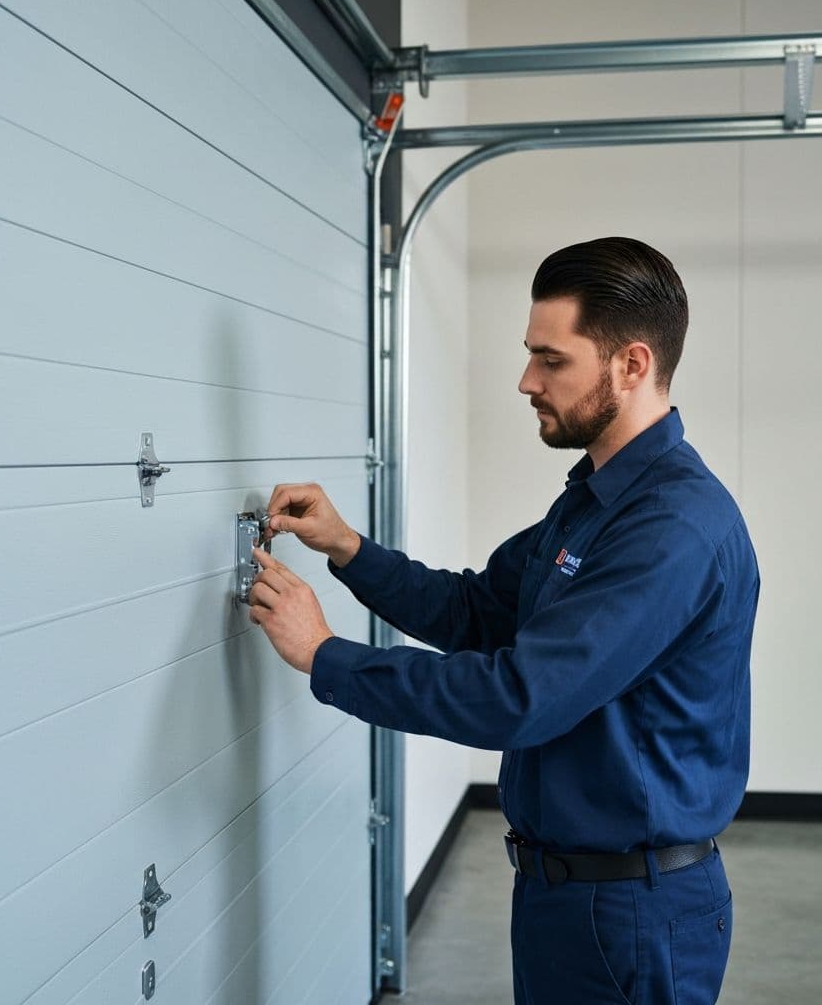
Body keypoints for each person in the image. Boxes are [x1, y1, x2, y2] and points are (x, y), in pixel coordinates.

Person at [248, 236, 760, 1005]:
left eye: (552, 360)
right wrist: (349, 549)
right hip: (566, 894)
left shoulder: (670, 529)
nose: (527, 381)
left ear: (632, 364)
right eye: (531, 355)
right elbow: (479, 609)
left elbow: (520, 697)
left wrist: (326, 656)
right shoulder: (594, 498)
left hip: (631, 912)